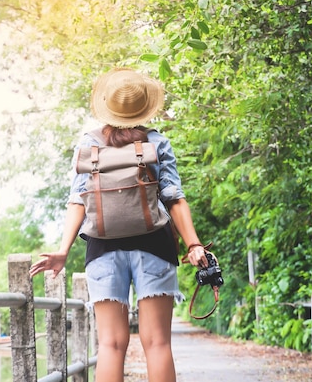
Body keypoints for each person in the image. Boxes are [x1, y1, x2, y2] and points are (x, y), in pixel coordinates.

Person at [29, 68, 209, 382]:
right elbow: (173, 197)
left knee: (111, 345)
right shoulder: (156, 142)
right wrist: (193, 244)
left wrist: (62, 251)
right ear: (144, 108)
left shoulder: (89, 144)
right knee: (157, 343)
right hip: (154, 244)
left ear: (107, 106)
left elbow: (78, 200)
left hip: (102, 248)